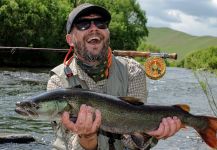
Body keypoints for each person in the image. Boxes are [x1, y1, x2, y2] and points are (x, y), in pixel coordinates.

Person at [47, 3, 181, 150]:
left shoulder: (133, 71)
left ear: (108, 32)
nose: (94, 28)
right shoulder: (58, 81)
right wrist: (88, 137)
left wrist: (148, 133)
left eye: (101, 23)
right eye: (83, 24)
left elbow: (131, 143)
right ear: (70, 40)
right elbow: (68, 143)